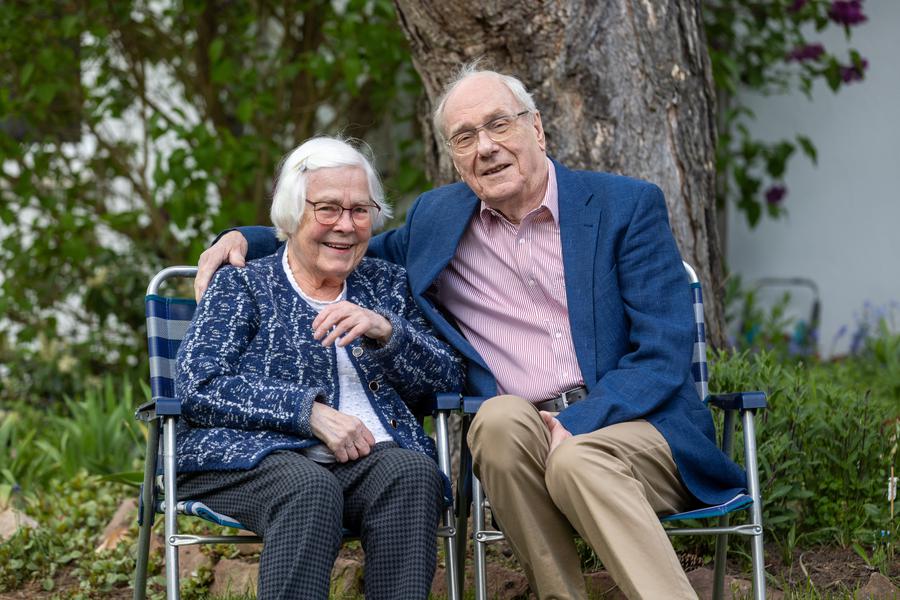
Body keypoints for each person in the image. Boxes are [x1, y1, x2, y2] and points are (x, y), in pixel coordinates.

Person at [196, 65, 747, 600]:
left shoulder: (624, 206)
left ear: (536, 128)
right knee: (497, 420)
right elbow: (342, 240)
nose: (485, 147)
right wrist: (242, 237)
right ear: (454, 156)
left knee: (576, 458)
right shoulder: (439, 220)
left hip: (635, 426)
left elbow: (662, 354)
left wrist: (577, 423)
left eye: (499, 124)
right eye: (464, 136)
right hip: (521, 429)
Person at [176, 136, 464, 600]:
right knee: (308, 487)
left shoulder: (386, 285)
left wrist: (387, 331)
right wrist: (307, 413)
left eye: (359, 210)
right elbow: (198, 384)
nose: (345, 226)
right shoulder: (243, 284)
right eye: (327, 209)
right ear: (293, 214)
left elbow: (448, 377)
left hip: (362, 465)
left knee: (413, 474)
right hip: (248, 460)